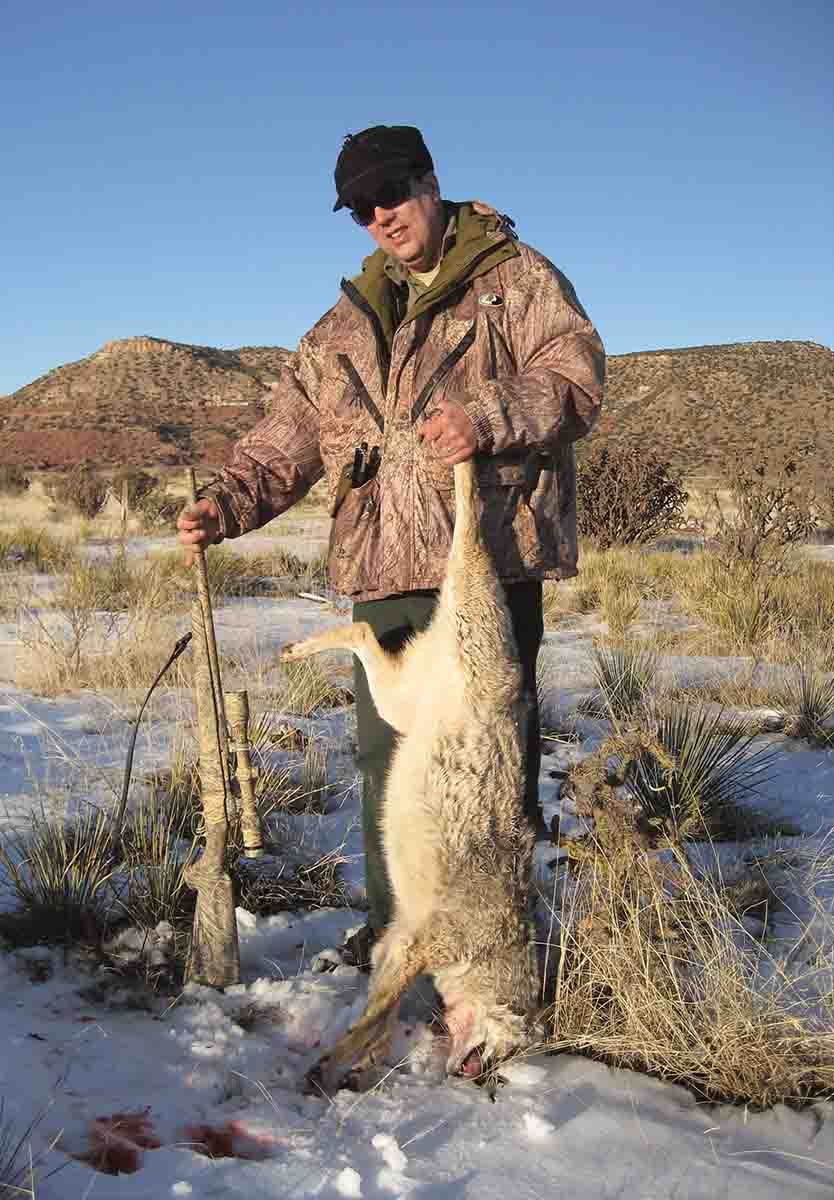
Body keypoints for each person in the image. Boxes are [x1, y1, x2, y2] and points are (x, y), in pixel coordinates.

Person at [177, 124, 605, 967]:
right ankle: (395, 938)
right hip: (382, 569)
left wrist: (484, 416)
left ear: (431, 181)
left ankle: (492, 950)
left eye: (392, 193)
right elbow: (286, 439)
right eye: (361, 208)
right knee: (393, 771)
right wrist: (223, 505)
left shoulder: (515, 280)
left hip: (486, 564)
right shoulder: (345, 322)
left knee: (484, 772)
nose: (381, 216)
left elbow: (576, 378)